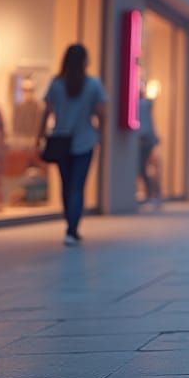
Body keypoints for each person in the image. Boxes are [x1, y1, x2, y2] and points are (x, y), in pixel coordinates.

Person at [36, 44, 107, 246]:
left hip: (61, 140)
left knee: (67, 186)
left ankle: (70, 225)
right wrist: (100, 134)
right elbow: (102, 113)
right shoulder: (93, 85)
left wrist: (39, 135)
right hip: (85, 142)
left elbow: (46, 112)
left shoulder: (57, 84)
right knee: (78, 186)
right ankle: (72, 229)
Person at [137, 86, 162, 208]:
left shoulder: (142, 105)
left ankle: (152, 194)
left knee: (142, 168)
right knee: (144, 168)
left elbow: (146, 124)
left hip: (144, 140)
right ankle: (153, 194)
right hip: (147, 139)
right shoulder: (146, 105)